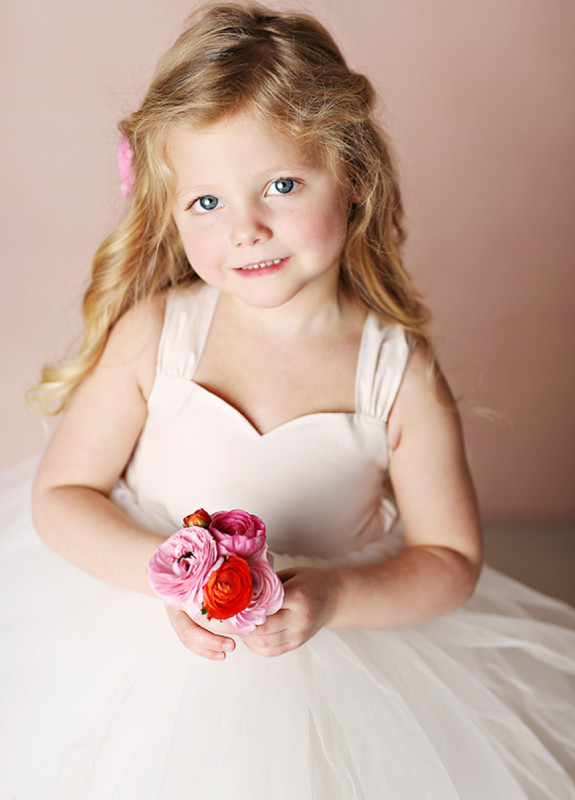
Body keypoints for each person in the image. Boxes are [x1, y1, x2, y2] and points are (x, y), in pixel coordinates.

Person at [1, 3, 574, 797]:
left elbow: (449, 560)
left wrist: (332, 595)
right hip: (137, 642)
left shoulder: (394, 370)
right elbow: (63, 495)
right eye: (206, 203)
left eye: (280, 185)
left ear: (352, 178)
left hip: (333, 661)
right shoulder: (157, 334)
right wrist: (168, 575)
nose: (246, 229)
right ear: (167, 209)